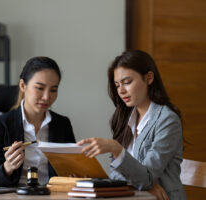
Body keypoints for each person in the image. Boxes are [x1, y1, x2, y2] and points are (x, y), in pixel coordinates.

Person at [77, 50, 186, 200]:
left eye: (127, 82)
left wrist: (116, 149)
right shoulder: (125, 118)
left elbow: (146, 178)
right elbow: (116, 174)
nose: (121, 91)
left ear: (149, 78)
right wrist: (140, 183)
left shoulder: (167, 120)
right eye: (117, 85)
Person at [0, 56, 76, 187]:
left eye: (53, 90)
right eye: (40, 88)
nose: (46, 97)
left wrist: (74, 173)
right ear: (23, 85)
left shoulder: (62, 124)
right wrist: (8, 167)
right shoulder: (0, 125)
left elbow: (72, 170)